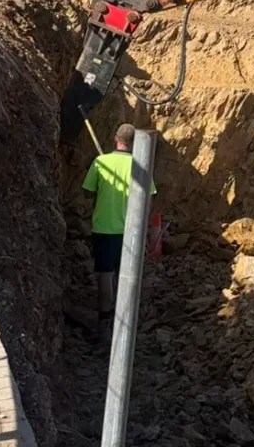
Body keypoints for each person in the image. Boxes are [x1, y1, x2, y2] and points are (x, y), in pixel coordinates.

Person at [82, 123, 157, 344]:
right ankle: (126, 321)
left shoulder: (101, 162)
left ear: (116, 138)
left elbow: (87, 193)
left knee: (105, 274)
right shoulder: (140, 165)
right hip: (130, 230)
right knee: (127, 275)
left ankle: (105, 320)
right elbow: (149, 199)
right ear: (134, 144)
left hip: (104, 228)